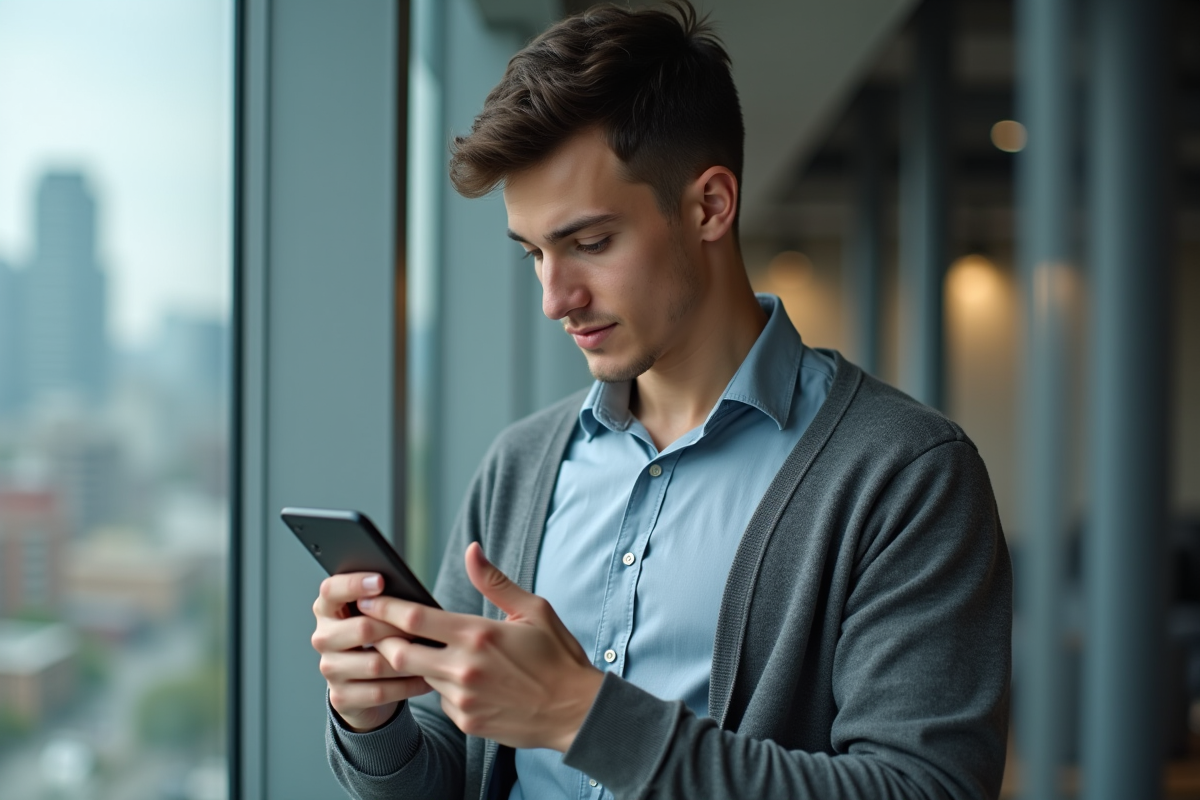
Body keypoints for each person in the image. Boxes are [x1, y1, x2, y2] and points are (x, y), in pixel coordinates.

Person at [310, 2, 1012, 799]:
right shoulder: (521, 466)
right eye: (535, 253)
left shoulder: (906, 474)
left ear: (710, 205)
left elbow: (927, 789)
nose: (555, 298)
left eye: (591, 242)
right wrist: (370, 719)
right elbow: (453, 774)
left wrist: (584, 718)